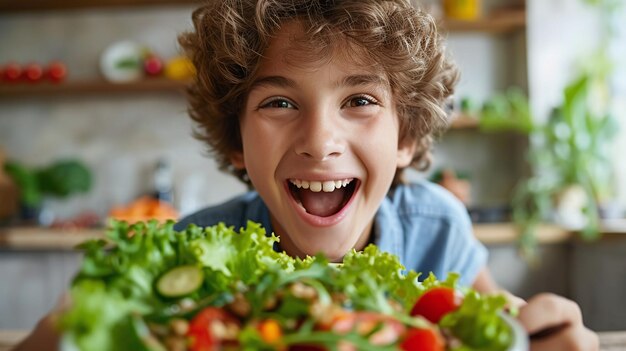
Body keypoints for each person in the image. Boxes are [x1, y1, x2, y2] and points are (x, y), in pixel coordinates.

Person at [14, 0, 598, 350]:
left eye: (361, 100)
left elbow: (499, 325)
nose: (320, 142)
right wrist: (82, 317)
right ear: (236, 141)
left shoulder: (434, 229)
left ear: (407, 137)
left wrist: (544, 333)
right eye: (279, 104)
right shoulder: (191, 254)